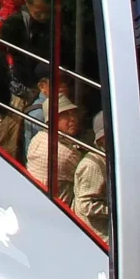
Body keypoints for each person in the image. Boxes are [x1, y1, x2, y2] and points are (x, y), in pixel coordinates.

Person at [20, 91, 111, 241]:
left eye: (73, 114)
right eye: (65, 115)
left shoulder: (39, 138)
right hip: (59, 217)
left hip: (37, 210)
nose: (72, 119)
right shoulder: (64, 153)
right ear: (51, 120)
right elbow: (90, 170)